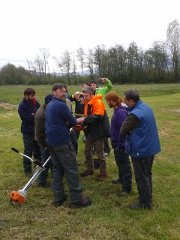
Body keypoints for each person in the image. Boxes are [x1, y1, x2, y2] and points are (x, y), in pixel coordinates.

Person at [45, 83, 91, 208]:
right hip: (61, 141)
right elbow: (73, 122)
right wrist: (80, 120)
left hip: (51, 141)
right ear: (54, 91)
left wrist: (67, 122)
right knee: (71, 169)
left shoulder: (50, 104)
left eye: (65, 91)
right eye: (60, 91)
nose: (63, 93)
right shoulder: (61, 105)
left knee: (57, 168)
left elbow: (58, 121)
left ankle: (58, 197)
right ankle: (76, 200)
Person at [121, 89, 161, 209]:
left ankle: (144, 203)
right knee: (147, 173)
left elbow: (123, 130)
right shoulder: (145, 107)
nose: (123, 102)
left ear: (131, 101)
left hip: (141, 149)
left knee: (141, 176)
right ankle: (147, 197)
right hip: (150, 147)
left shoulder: (135, 114)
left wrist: (127, 114)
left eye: (125, 100)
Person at [105, 92, 132, 195]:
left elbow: (123, 129)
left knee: (125, 165)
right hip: (116, 143)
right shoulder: (116, 110)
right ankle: (121, 179)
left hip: (121, 144)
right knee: (119, 162)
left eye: (108, 101)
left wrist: (121, 144)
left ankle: (127, 188)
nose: (107, 103)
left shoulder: (121, 112)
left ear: (113, 101)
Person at [80, 86, 107, 181]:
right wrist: (84, 122)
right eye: (83, 96)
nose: (84, 97)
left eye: (86, 96)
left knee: (100, 153)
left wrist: (84, 119)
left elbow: (98, 116)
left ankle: (103, 174)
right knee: (87, 151)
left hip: (99, 132)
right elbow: (88, 116)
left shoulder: (98, 102)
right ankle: (90, 169)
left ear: (91, 95)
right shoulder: (87, 103)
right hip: (91, 131)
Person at [18, 88, 41, 177]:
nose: (33, 97)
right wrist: (34, 115)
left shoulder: (35, 103)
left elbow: (40, 112)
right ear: (26, 95)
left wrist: (33, 114)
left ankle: (38, 166)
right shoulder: (22, 106)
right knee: (28, 151)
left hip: (36, 130)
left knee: (38, 150)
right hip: (28, 132)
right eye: (32, 95)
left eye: (34, 95)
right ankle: (27, 170)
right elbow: (27, 119)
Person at [88, 78, 112, 155]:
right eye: (91, 85)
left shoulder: (101, 90)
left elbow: (109, 87)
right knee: (95, 131)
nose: (92, 86)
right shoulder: (89, 93)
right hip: (93, 113)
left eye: (93, 85)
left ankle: (106, 150)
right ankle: (96, 148)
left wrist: (107, 81)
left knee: (104, 130)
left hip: (101, 112)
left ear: (96, 85)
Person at [35, 94, 53, 187]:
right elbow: (39, 133)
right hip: (42, 140)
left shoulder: (48, 109)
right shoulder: (41, 115)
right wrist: (44, 145)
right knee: (45, 161)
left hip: (48, 138)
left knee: (52, 159)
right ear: (47, 103)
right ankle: (42, 182)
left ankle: (55, 176)